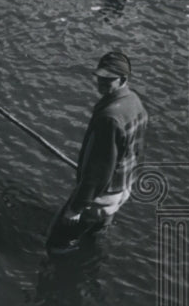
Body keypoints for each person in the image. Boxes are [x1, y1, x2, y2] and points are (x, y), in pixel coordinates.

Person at [48, 52, 148, 253]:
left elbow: (99, 171)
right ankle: (91, 258)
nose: (101, 83)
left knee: (56, 243)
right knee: (94, 234)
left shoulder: (109, 117)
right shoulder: (135, 101)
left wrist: (76, 207)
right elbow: (136, 149)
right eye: (100, 77)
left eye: (108, 79)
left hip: (101, 196)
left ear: (123, 79)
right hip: (122, 188)